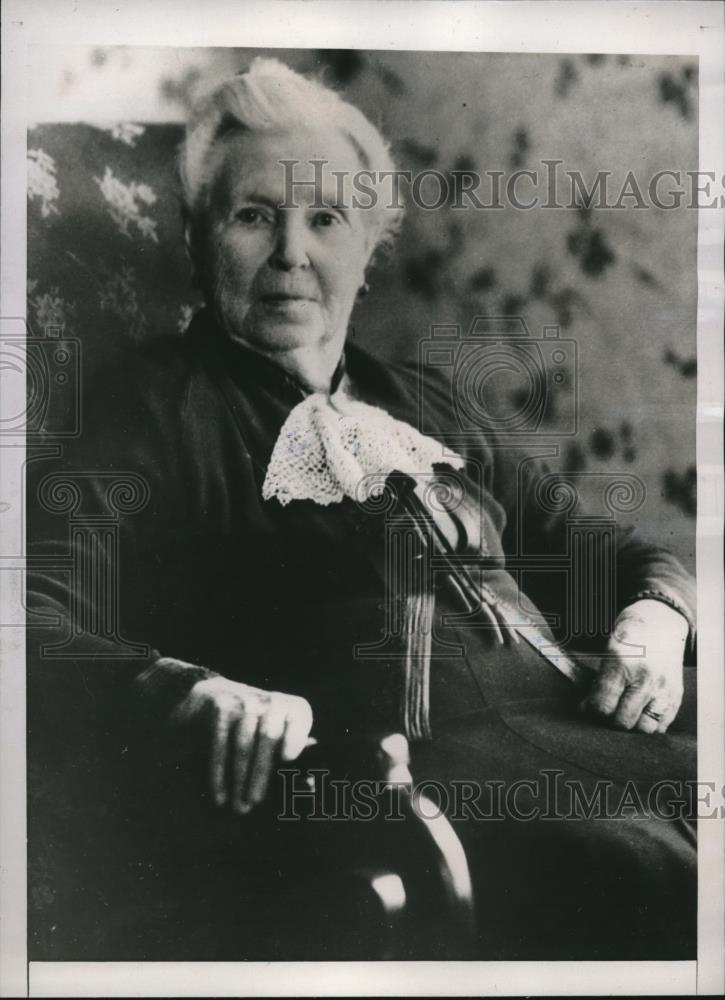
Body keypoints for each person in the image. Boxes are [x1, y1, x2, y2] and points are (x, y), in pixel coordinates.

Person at [27, 57, 697, 961]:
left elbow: (603, 553)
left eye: (325, 219)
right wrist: (192, 689)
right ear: (197, 237)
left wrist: (656, 618)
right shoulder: (155, 408)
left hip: (584, 731)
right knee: (641, 876)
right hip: (399, 781)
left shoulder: (430, 405)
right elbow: (30, 613)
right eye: (254, 216)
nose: (292, 254)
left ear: (368, 247)